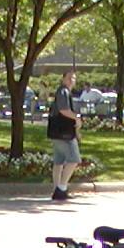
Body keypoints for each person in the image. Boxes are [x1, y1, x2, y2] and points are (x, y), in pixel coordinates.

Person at [47, 69, 80, 201]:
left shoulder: (63, 91)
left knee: (59, 161)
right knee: (74, 160)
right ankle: (62, 188)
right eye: (69, 78)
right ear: (63, 79)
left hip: (57, 132)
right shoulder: (63, 92)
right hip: (63, 133)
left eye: (74, 78)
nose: (72, 80)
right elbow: (64, 110)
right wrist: (77, 118)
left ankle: (57, 190)